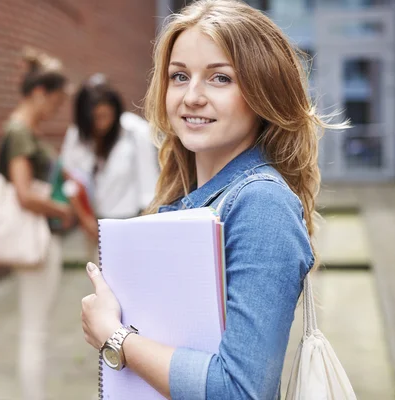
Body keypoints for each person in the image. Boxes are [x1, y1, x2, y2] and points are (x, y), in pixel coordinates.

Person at [80, 1, 343, 399]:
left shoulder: (262, 206)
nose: (192, 97)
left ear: (263, 93)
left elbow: (238, 390)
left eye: (220, 78)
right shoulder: (187, 199)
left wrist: (116, 338)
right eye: (179, 76)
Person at [0, 47, 73, 400]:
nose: (55, 112)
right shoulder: (20, 131)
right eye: (55, 103)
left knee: (36, 326)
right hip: (35, 242)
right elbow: (24, 194)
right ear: (40, 93)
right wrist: (60, 209)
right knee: (35, 329)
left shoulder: (22, 129)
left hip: (40, 241)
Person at [60, 77, 159, 243]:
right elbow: (70, 177)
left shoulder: (134, 131)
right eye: (96, 118)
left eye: (106, 116)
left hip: (130, 221)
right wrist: (85, 219)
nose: (101, 124)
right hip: (94, 221)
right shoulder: (77, 136)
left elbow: (148, 183)